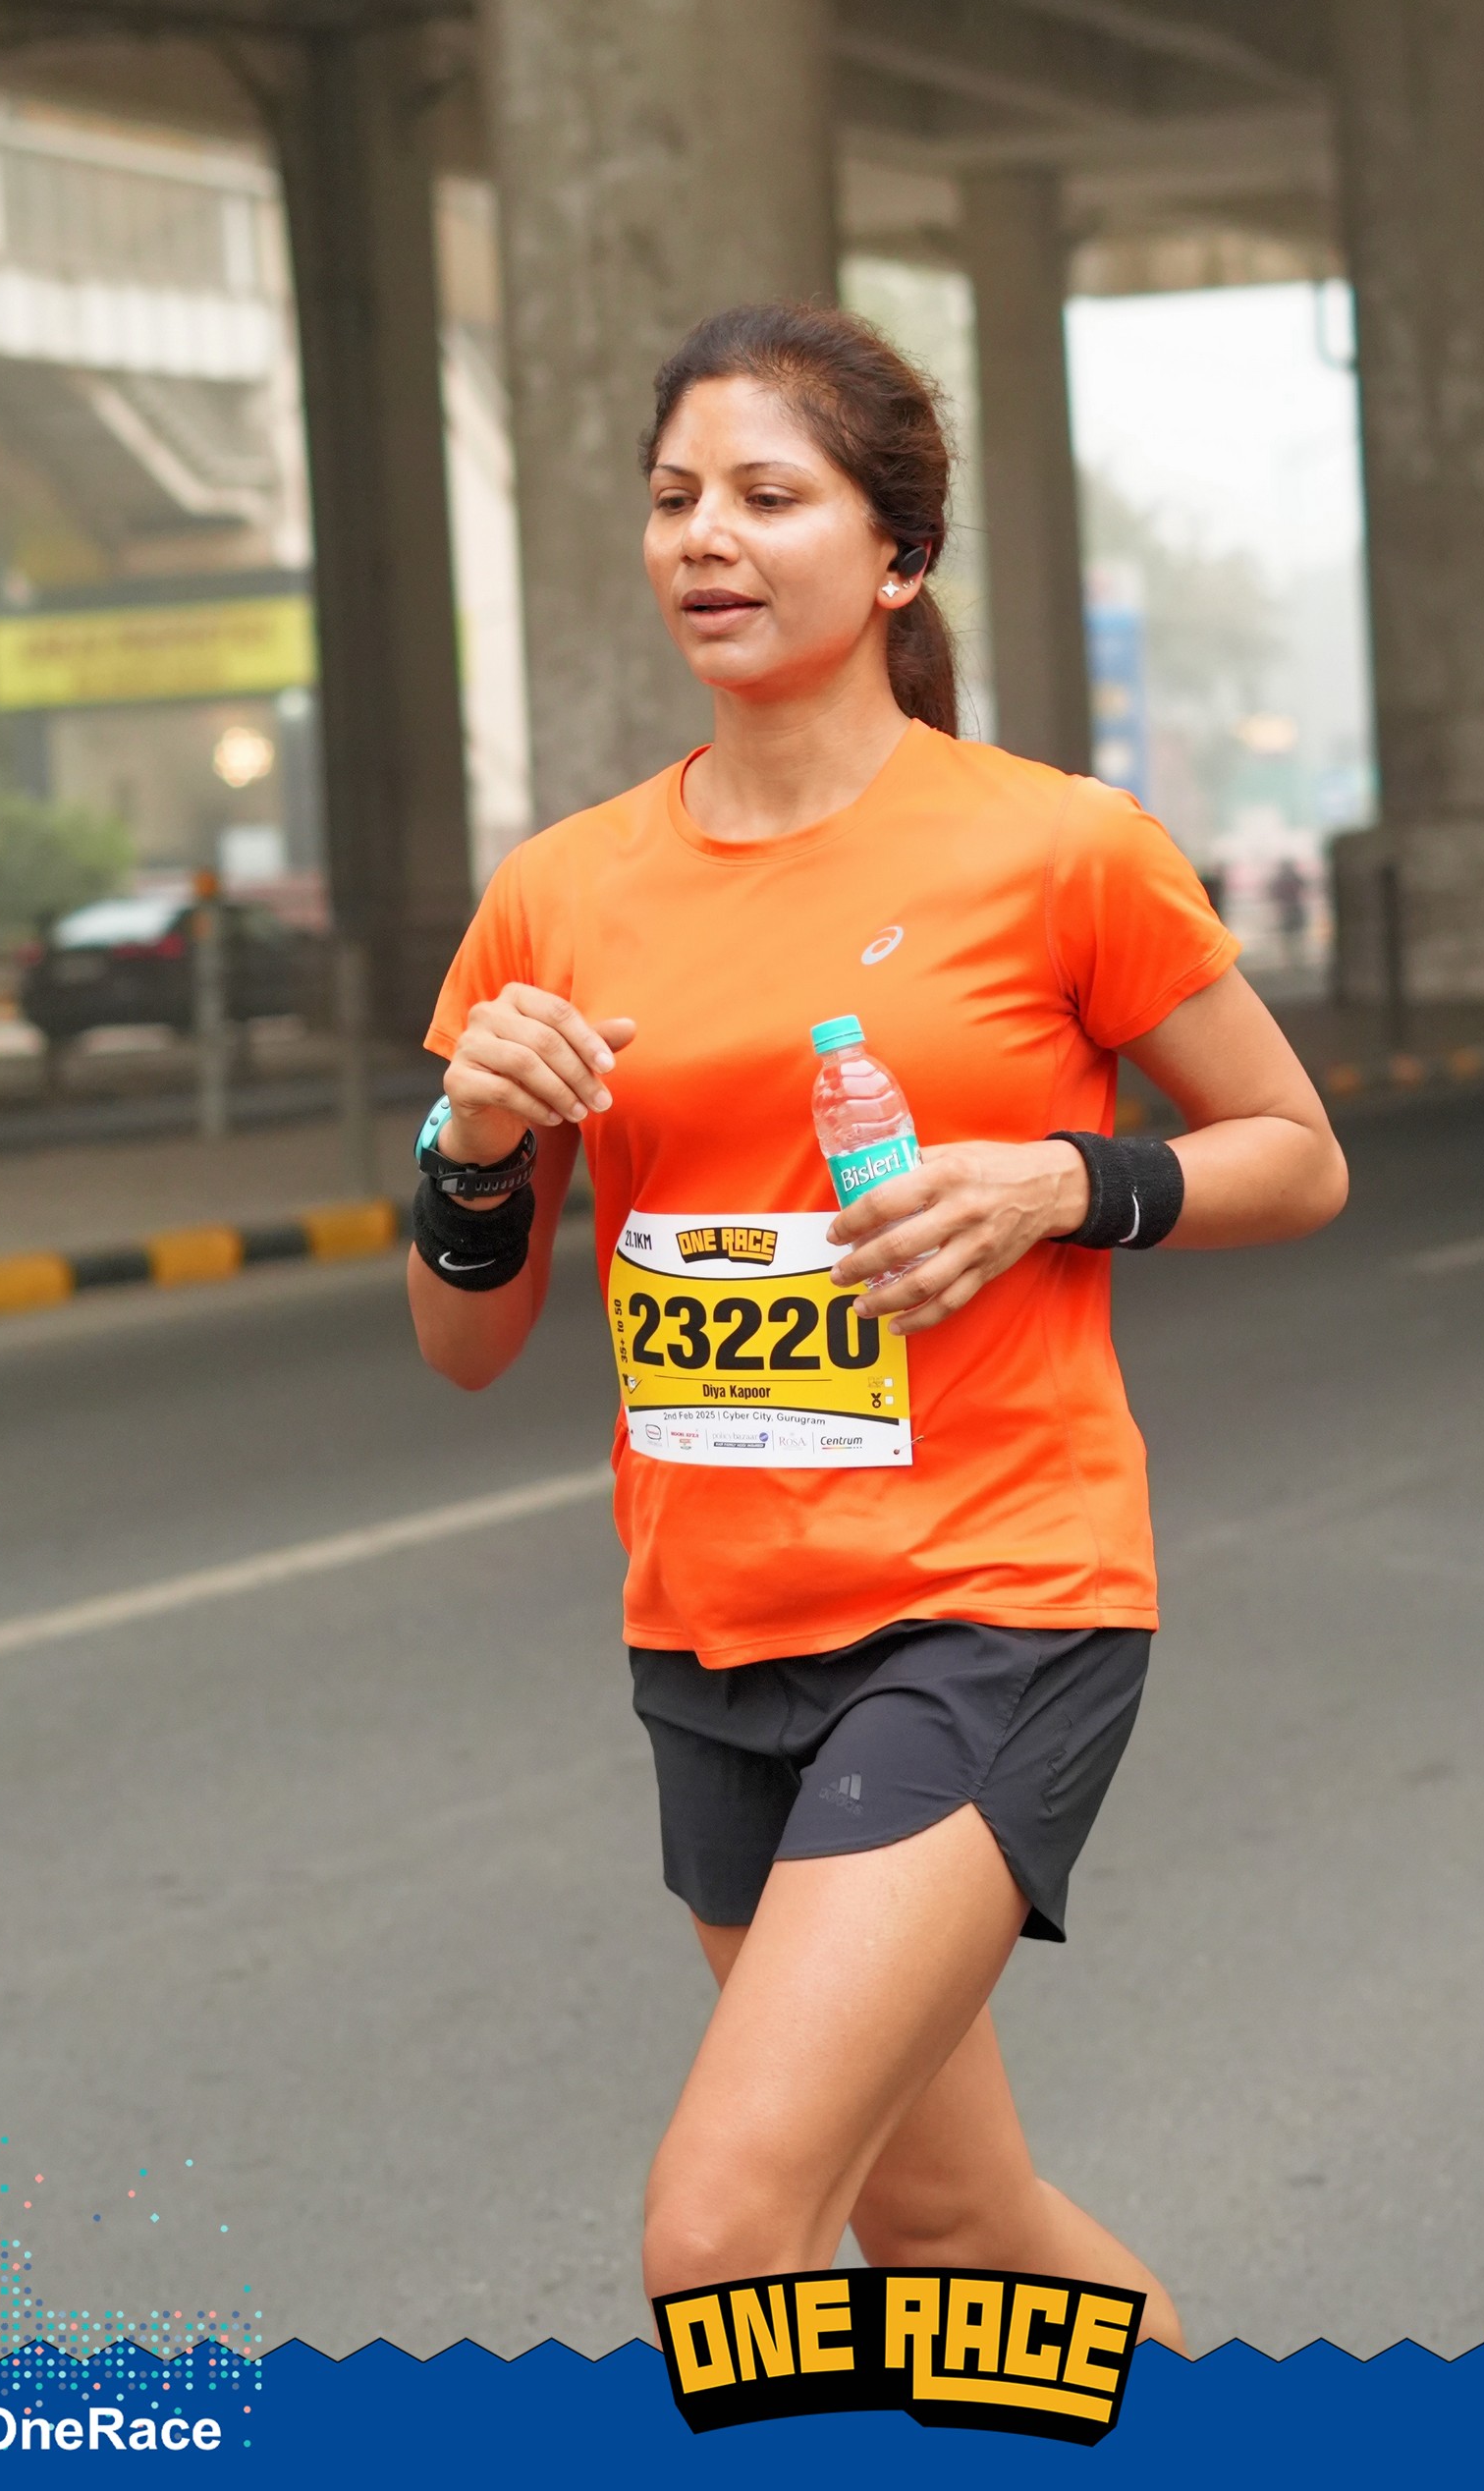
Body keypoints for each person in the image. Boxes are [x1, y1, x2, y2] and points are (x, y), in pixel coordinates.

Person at [409, 304, 1347, 2351]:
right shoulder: (559, 892)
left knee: (724, 2227)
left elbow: (1294, 1153)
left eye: (768, 496)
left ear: (897, 554)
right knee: (953, 2216)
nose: (705, 538)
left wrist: (1059, 1183)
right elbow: (464, 1342)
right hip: (710, 1625)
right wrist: (470, 1140)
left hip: (991, 1598)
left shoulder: (1056, 847)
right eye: (675, 499)